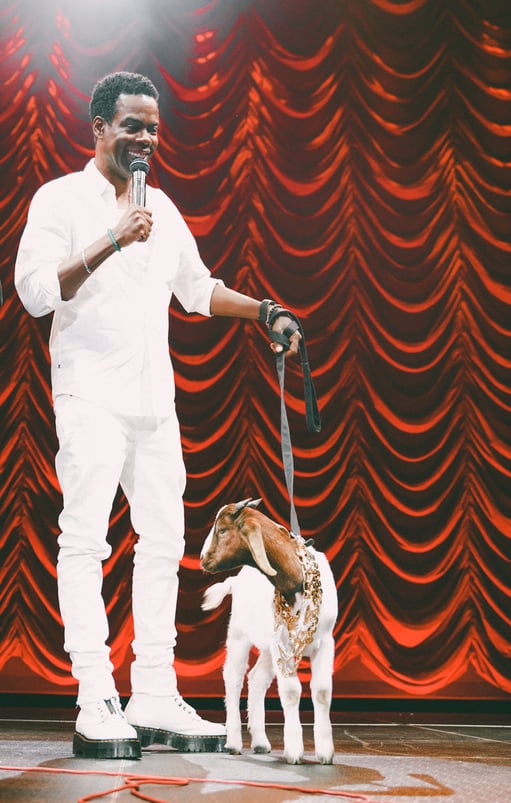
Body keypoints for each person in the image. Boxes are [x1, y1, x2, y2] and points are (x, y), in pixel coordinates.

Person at [14, 71, 302, 760]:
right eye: (132, 125)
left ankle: (150, 689)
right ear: (99, 128)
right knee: (84, 542)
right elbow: (34, 293)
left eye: (152, 127)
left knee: (163, 545)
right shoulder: (60, 199)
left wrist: (265, 310)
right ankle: (95, 695)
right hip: (88, 395)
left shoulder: (163, 209)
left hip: (154, 404)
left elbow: (197, 289)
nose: (145, 138)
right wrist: (113, 239)